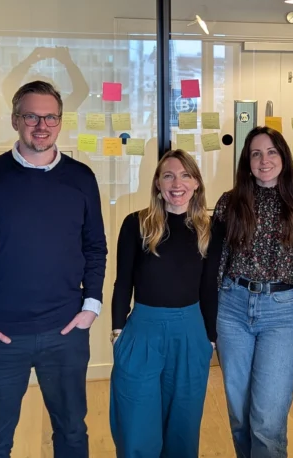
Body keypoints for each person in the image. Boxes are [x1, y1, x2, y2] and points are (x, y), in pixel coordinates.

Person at [0, 81, 107, 458]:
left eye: (50, 117)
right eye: (32, 116)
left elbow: (95, 247)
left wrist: (91, 305)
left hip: (65, 332)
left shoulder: (81, 179)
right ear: (15, 120)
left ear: (60, 121)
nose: (42, 125)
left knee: (72, 432)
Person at [212, 126, 293, 458]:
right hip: (232, 308)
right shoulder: (229, 203)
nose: (264, 160)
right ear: (247, 162)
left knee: (268, 420)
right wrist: (207, 318)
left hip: (282, 314)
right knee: (239, 415)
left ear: (284, 157)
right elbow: (217, 262)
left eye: (272, 152)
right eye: (256, 154)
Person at [109, 149, 221, 457]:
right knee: (136, 424)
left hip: (191, 332)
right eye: (168, 175)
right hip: (142, 330)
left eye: (186, 175)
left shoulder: (211, 229)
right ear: (157, 183)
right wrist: (117, 331)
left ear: (196, 183)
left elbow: (209, 288)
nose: (177, 183)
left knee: (183, 424)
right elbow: (123, 281)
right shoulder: (136, 224)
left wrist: (210, 338)